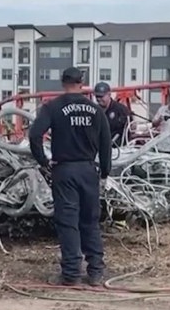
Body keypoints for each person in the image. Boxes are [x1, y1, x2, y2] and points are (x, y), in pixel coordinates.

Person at [28, 67, 113, 286]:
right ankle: (95, 271)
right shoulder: (96, 110)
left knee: (68, 221)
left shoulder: (53, 107)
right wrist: (104, 172)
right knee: (90, 221)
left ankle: (71, 273)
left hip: (64, 170)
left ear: (63, 82)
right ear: (82, 83)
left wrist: (43, 162)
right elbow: (106, 145)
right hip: (88, 170)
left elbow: (35, 135)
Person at [93, 82, 130, 147]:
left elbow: (128, 130)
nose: (98, 99)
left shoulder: (121, 110)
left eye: (101, 96)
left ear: (109, 94)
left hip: (118, 148)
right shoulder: (94, 110)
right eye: (97, 96)